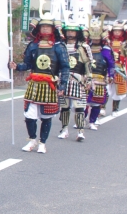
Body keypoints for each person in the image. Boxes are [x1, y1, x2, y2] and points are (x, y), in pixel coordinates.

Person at [9, 12, 69, 154]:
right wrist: (16, 66)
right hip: (34, 84)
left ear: (53, 29)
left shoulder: (59, 47)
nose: (46, 29)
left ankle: (42, 143)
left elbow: (65, 67)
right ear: (39, 29)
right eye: (43, 27)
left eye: (48, 27)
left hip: (50, 85)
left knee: (46, 116)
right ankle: (32, 140)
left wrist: (63, 85)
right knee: (30, 115)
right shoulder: (33, 45)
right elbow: (28, 64)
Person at [56, 23, 93, 142]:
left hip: (78, 79)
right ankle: (64, 129)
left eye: (73, 31)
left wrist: (89, 78)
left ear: (77, 33)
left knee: (79, 107)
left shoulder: (84, 47)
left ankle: (80, 131)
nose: (70, 33)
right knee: (64, 106)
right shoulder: (60, 46)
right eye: (68, 31)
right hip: (63, 78)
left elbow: (88, 63)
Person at [86, 17, 114, 130]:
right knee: (84, 101)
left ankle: (92, 121)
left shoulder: (106, 50)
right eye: (94, 37)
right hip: (87, 78)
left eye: (97, 38)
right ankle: (81, 119)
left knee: (96, 102)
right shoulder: (86, 48)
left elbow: (111, 64)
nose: (95, 39)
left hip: (100, 79)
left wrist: (111, 75)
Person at [106, 21, 127, 113]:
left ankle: (115, 108)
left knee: (118, 89)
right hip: (107, 68)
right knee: (104, 87)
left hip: (119, 68)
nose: (117, 32)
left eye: (119, 31)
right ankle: (102, 107)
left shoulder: (125, 44)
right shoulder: (107, 43)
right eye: (115, 31)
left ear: (122, 32)